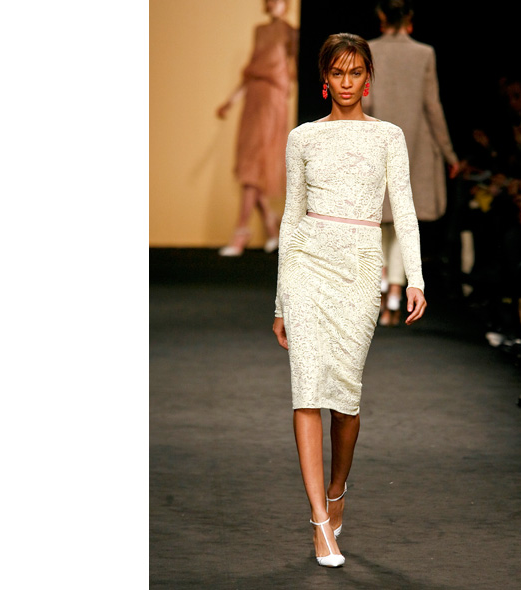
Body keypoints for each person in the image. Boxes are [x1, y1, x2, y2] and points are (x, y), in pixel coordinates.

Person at [272, 33, 427, 568]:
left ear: (368, 78)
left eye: (355, 72)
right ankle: (320, 521)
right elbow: (291, 216)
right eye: (337, 72)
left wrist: (415, 278)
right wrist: (280, 302)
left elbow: (404, 208)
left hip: (360, 267)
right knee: (306, 390)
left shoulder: (388, 136)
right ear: (324, 79)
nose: (346, 81)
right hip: (306, 265)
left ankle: (338, 486)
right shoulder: (302, 138)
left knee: (346, 398)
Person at [364, 0, 461, 325]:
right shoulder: (424, 53)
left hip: (377, 140)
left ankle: (380, 287)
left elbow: (365, 101)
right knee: (403, 221)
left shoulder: (370, 49)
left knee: (378, 219)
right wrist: (449, 153)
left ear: (381, 19)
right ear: (409, 21)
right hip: (414, 145)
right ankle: (395, 292)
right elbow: (432, 106)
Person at [216, 0, 298, 256]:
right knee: (251, 162)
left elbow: (295, 69)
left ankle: (241, 230)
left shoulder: (290, 33)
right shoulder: (260, 31)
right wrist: (230, 101)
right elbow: (250, 72)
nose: (273, 4)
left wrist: (284, 80)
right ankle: (271, 227)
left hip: (273, 99)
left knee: (255, 163)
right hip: (254, 96)